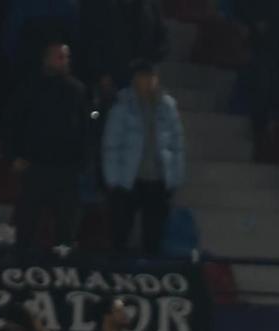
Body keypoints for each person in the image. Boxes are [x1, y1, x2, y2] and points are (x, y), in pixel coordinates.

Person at [10, 41, 92, 249]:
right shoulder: (29, 86)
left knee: (66, 227)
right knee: (26, 222)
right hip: (35, 165)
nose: (65, 61)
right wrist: (15, 155)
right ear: (46, 59)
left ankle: (63, 272)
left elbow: (84, 130)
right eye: (59, 57)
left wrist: (83, 162)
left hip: (66, 169)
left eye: (67, 57)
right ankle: (21, 267)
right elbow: (14, 122)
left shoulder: (77, 90)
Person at [101, 61, 187, 255]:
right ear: (135, 79)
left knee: (154, 235)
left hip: (158, 180)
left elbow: (177, 144)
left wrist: (175, 177)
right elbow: (111, 145)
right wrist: (113, 179)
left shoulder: (168, 106)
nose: (147, 81)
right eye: (143, 77)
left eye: (151, 77)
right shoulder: (122, 107)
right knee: (120, 233)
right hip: (128, 180)